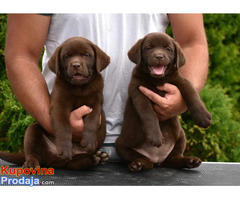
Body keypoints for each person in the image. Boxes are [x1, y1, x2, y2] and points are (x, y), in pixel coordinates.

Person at [4, 14, 208, 161]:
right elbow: (21, 55)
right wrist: (58, 126)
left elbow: (192, 42)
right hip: (66, 148)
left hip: (151, 141)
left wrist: (183, 99)